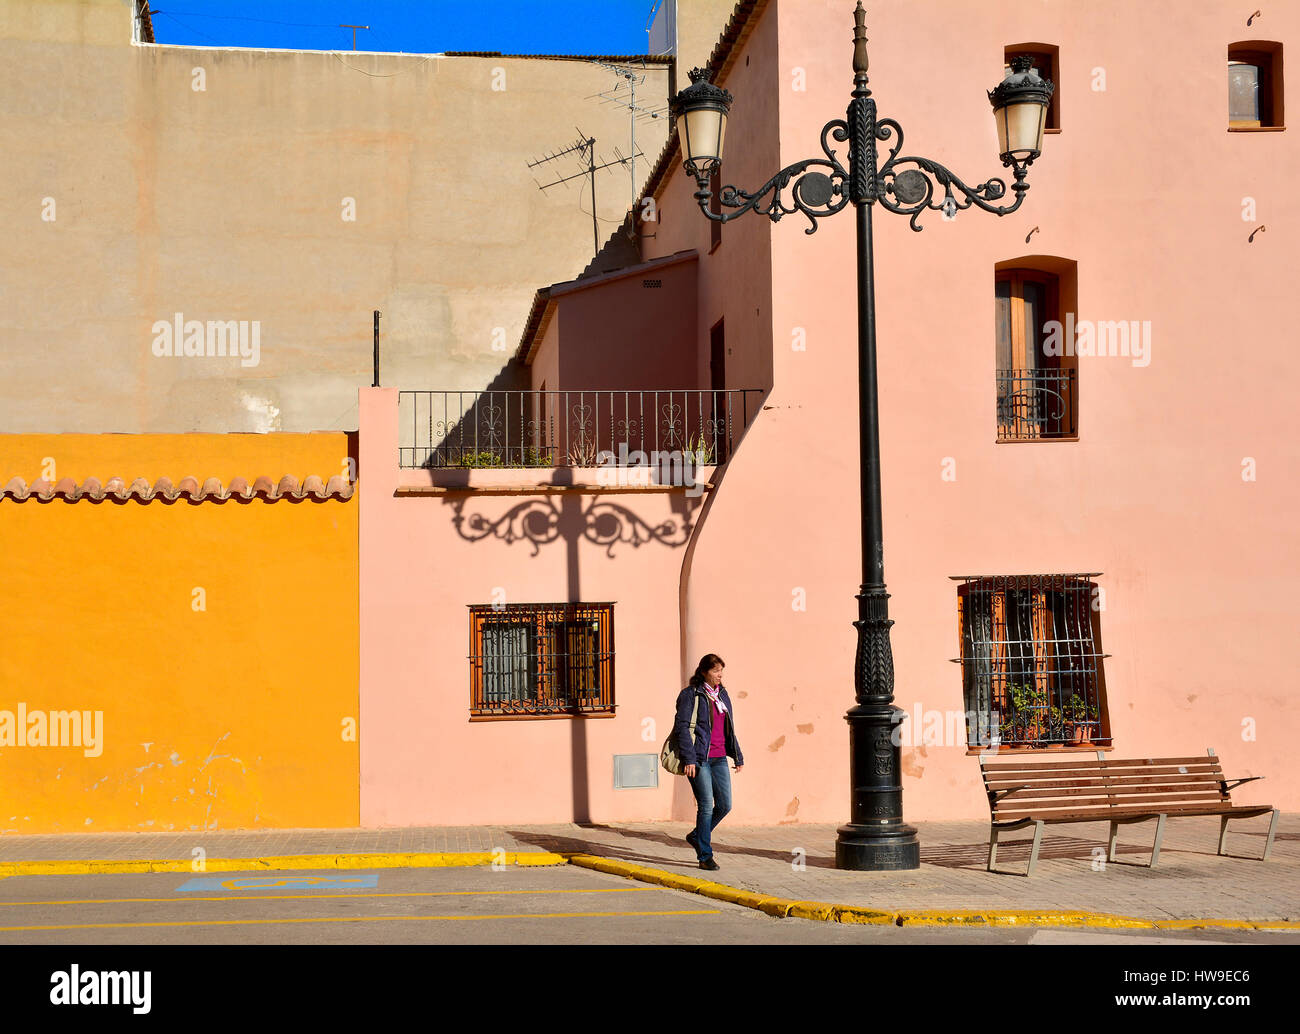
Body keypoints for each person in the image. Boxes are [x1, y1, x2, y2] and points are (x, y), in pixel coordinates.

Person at [673, 653, 744, 870]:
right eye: (715, 671)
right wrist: (689, 759)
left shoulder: (722, 695)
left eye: (721, 670)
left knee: (725, 805)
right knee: (706, 806)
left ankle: (697, 836)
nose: (720, 675)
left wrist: (737, 756)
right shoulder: (691, 695)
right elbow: (682, 727)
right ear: (704, 672)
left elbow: (729, 729)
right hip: (699, 759)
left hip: (720, 757)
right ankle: (705, 856)